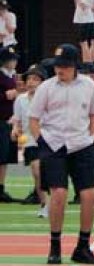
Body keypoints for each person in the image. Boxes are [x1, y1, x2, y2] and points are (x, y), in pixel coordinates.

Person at [28, 43, 94, 264]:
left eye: (64, 66)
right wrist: (41, 141)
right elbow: (34, 118)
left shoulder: (88, 85)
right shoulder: (46, 87)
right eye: (57, 66)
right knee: (58, 194)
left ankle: (83, 246)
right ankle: (55, 246)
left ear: (74, 66)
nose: (59, 70)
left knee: (89, 195)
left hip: (82, 144)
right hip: (53, 145)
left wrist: (92, 136)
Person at [11, 64, 49, 216]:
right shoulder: (20, 100)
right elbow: (17, 119)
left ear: (42, 82)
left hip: (48, 140)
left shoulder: (47, 99)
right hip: (31, 141)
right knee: (36, 171)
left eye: (35, 79)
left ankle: (54, 201)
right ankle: (44, 205)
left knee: (49, 174)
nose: (31, 82)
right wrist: (15, 129)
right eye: (29, 79)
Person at [0, 46, 18, 203]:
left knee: (4, 157)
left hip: (8, 121)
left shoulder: (12, 76)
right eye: (11, 59)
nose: (14, 62)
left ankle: (1, 187)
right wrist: (5, 95)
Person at [69, 0, 94, 68]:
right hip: (80, 19)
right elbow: (77, 6)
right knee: (82, 42)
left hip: (86, 20)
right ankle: (87, 62)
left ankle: (88, 62)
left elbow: (84, 6)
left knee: (84, 42)